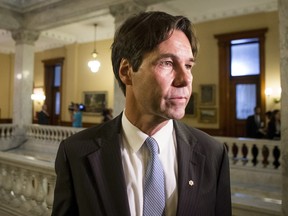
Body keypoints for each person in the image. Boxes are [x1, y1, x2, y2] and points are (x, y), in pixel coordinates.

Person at [52, 11, 231, 216]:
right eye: (167, 63)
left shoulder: (212, 154)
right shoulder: (76, 153)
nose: (185, 79)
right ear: (126, 71)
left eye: (188, 66)